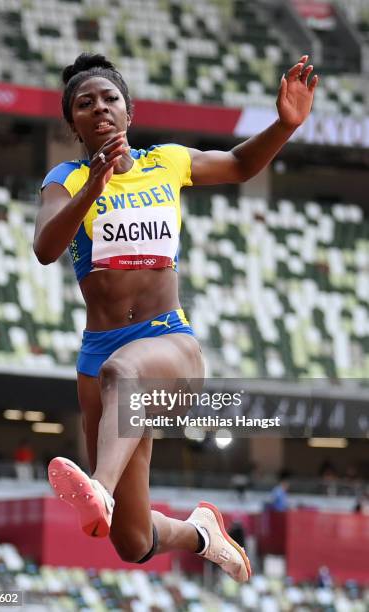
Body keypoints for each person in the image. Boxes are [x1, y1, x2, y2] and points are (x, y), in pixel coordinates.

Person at [34, 52, 317, 583]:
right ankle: (203, 533)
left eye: (109, 99)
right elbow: (46, 247)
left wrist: (283, 125)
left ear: (128, 110)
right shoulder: (65, 180)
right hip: (98, 358)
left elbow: (237, 165)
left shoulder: (165, 161)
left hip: (169, 345)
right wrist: (91, 189)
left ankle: (98, 485)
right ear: (72, 121)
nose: (99, 109)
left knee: (128, 372)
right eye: (84, 104)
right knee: (132, 541)